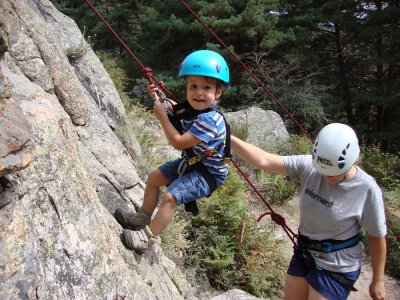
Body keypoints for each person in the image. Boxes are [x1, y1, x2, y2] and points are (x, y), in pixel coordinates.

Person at [230, 123, 386, 300]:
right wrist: (228, 136)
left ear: (351, 161)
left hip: (338, 264)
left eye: (335, 172)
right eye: (323, 172)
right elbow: (264, 160)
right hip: (305, 252)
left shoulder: (366, 189)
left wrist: (378, 280)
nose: (327, 178)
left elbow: (376, 235)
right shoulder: (310, 167)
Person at [114, 50, 230, 254]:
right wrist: (162, 99)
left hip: (207, 174)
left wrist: (161, 116)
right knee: (154, 178)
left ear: (218, 92)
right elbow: (177, 109)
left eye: (207, 88)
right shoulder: (197, 110)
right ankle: (142, 217)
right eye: (193, 86)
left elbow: (178, 142)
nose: (199, 93)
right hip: (193, 163)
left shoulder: (210, 120)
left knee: (170, 197)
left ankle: (146, 238)